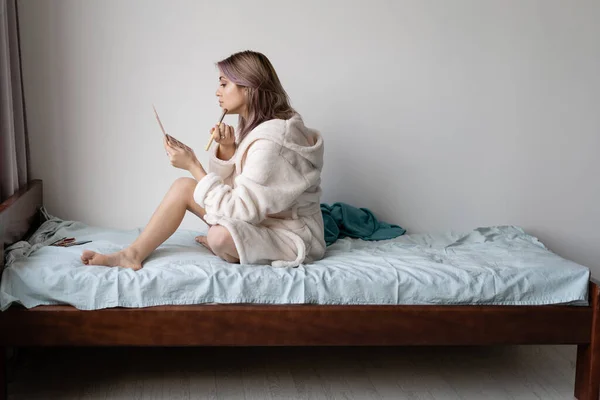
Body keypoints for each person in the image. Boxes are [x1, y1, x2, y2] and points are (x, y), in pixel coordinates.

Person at [81, 50, 326, 270]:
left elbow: (240, 210)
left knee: (219, 237)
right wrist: (228, 150)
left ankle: (231, 249)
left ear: (248, 87)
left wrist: (193, 165)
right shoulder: (254, 128)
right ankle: (131, 254)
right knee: (184, 187)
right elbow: (236, 191)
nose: (217, 92)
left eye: (224, 83)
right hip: (261, 221)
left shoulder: (273, 141)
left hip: (289, 237)